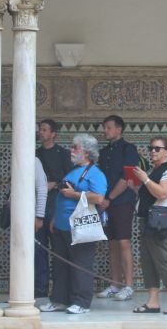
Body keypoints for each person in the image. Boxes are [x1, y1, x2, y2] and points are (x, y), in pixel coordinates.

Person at [38, 133, 107, 315]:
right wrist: (54, 219)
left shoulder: (95, 173)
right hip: (61, 225)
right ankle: (60, 299)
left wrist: (75, 194)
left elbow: (99, 197)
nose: (71, 150)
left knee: (80, 264)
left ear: (86, 152)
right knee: (60, 265)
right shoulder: (73, 170)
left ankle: (82, 302)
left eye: (75, 147)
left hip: (80, 228)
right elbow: (63, 195)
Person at [131, 136, 167, 315]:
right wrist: (136, 186)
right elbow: (149, 195)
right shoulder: (153, 170)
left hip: (161, 220)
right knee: (147, 260)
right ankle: (153, 302)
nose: (153, 151)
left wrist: (145, 180)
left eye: (157, 148)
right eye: (151, 148)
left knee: (162, 258)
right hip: (149, 219)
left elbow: (163, 193)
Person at [96, 114, 140, 301]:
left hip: (122, 202)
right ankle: (115, 284)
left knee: (123, 242)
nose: (105, 131)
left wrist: (110, 198)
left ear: (119, 129)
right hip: (106, 203)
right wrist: (102, 199)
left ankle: (128, 285)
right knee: (112, 244)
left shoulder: (128, 149)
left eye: (108, 127)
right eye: (104, 127)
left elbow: (127, 178)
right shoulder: (104, 152)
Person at [35, 119, 72, 298]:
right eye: (39, 130)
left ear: (53, 133)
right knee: (39, 248)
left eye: (44, 130)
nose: (40, 133)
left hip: (57, 205)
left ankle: (59, 289)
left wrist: (55, 185)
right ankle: (40, 288)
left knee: (58, 249)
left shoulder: (63, 154)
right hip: (38, 206)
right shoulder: (35, 154)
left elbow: (71, 179)